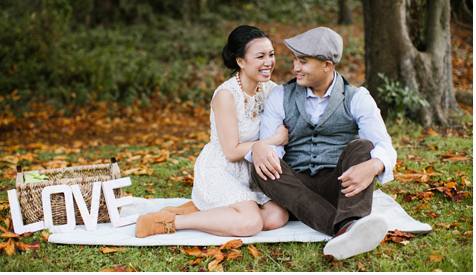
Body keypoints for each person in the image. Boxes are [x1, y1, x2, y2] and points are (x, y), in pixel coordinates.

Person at [247, 27, 397, 260]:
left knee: (364, 148)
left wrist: (375, 165)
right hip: (294, 190)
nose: (295, 67)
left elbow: (383, 145)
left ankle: (347, 218)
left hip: (340, 188)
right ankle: (345, 228)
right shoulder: (280, 96)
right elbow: (272, 150)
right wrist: (262, 149)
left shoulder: (357, 97)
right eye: (295, 59)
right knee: (262, 164)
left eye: (303, 61)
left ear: (327, 65)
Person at [136, 26, 290, 238]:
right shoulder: (226, 95)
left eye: (271, 54)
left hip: (250, 171)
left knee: (277, 217)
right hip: (221, 168)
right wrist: (276, 139)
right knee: (250, 223)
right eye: (260, 56)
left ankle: (204, 211)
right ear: (241, 62)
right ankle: (169, 221)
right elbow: (232, 151)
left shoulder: (271, 89)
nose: (268, 62)